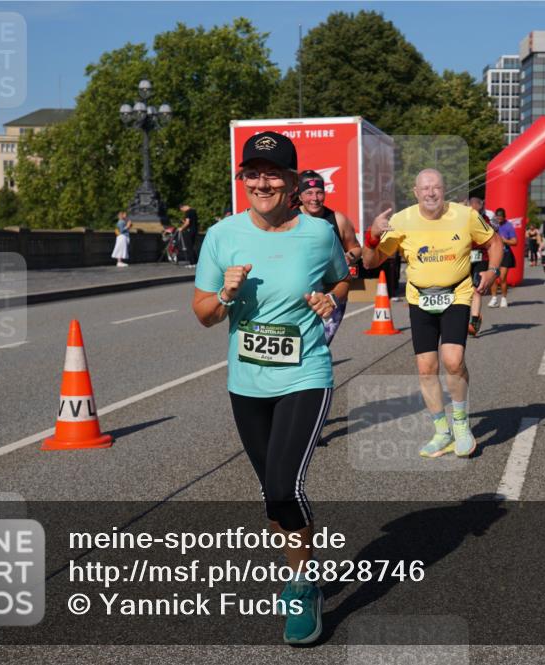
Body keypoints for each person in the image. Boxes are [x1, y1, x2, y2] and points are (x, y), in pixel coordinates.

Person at [191, 131, 349, 645]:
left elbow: (342, 280)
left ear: (292, 181)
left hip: (306, 374)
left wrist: (329, 299)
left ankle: (302, 586)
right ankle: (300, 569)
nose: (262, 182)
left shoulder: (318, 233)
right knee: (271, 497)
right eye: (253, 173)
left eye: (272, 173)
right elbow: (203, 316)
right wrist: (224, 293)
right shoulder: (221, 235)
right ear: (244, 180)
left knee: (284, 487)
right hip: (247, 383)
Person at [362, 169, 502, 458]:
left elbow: (494, 243)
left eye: (436, 187)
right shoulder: (401, 220)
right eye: (425, 188)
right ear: (415, 192)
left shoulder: (465, 216)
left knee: (453, 360)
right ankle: (442, 431)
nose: (430, 193)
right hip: (419, 297)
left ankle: (461, 425)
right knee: (426, 367)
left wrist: (492, 270)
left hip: (457, 293)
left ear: (444, 190)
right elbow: (370, 262)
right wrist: (373, 237)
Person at [298, 169, 362, 344]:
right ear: (300, 196)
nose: (315, 198)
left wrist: (347, 257)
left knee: (320, 344)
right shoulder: (291, 219)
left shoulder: (337, 219)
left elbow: (356, 248)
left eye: (319, 192)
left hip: (332, 294)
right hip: (301, 294)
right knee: (298, 348)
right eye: (309, 193)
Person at [466, 197, 491, 336]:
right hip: (465, 257)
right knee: (463, 289)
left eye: (476, 209)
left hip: (482, 257)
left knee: (477, 288)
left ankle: (474, 320)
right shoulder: (463, 218)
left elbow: (491, 239)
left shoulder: (485, 220)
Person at [488, 208, 517, 308]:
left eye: (501, 217)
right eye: (497, 217)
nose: (499, 219)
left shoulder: (508, 226)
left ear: (504, 217)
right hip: (494, 254)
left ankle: (504, 298)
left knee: (502, 278)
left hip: (505, 254)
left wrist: (505, 241)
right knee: (493, 277)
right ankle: (494, 298)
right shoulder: (491, 225)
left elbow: (515, 241)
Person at [178, 204, 200, 268]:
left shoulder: (188, 212)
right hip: (194, 230)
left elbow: (187, 222)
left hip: (189, 231)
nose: (183, 211)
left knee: (189, 247)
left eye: (182, 210)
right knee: (192, 246)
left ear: (183, 207)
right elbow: (192, 221)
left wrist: (181, 228)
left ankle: (192, 263)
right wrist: (183, 221)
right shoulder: (194, 211)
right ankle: (196, 262)